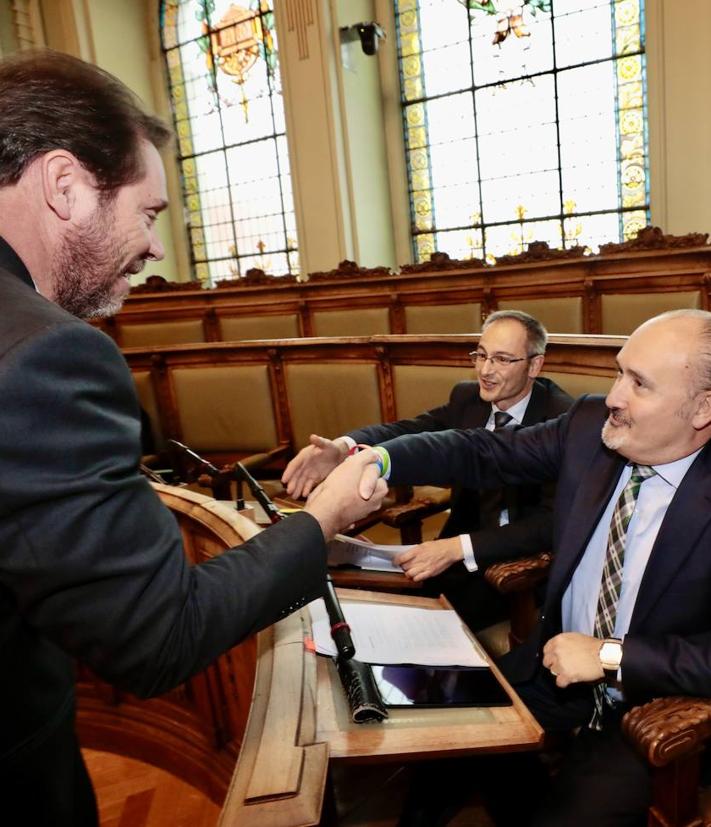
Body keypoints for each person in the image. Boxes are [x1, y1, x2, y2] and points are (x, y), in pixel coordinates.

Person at [0, 50, 386, 827]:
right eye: (147, 214)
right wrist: (323, 519)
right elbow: (158, 634)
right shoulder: (46, 354)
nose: (154, 249)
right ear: (65, 184)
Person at [354, 308, 711, 825]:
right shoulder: (590, 424)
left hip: (653, 706)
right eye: (619, 372)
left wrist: (612, 656)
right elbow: (483, 452)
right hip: (554, 664)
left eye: (639, 384)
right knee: (443, 739)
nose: (614, 396)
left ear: (702, 408)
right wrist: (376, 459)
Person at [282, 310, 573, 631]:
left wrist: (458, 548)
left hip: (519, 570)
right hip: (456, 552)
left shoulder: (561, 419)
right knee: (363, 604)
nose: (485, 370)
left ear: (535, 365)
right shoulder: (468, 398)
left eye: (502, 360)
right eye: (481, 355)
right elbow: (411, 431)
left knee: (427, 627)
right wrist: (343, 448)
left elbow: (550, 523)